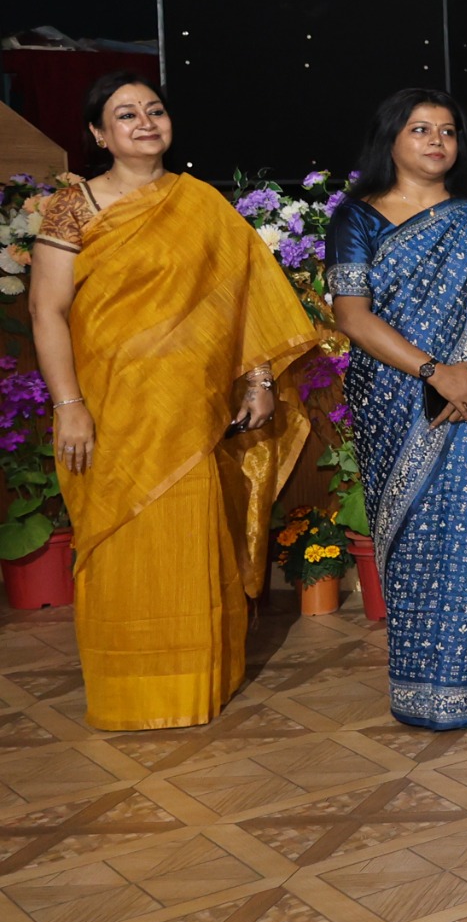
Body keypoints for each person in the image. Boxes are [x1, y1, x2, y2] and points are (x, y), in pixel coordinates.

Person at [29, 74, 325, 731]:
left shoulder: (201, 204)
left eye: (154, 110)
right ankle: (128, 690)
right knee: (120, 545)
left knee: (188, 544)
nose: (144, 122)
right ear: (99, 134)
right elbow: (47, 311)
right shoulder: (74, 207)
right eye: (125, 114)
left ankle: (196, 683)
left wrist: (258, 380)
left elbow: (246, 296)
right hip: (109, 410)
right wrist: (68, 403)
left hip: (191, 414)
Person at [327, 89, 467, 729]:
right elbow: (352, 316)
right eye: (420, 129)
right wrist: (436, 373)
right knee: (415, 538)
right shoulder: (357, 217)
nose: (436, 141)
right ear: (391, 139)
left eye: (447, 131)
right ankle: (425, 687)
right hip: (397, 398)